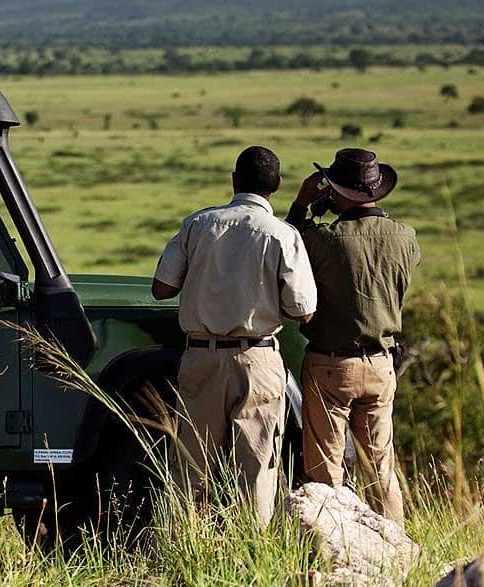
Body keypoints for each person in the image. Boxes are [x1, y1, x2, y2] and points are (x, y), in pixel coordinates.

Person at [152, 146, 317, 526]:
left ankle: (184, 546)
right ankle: (252, 553)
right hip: (258, 359)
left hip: (201, 357)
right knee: (257, 468)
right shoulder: (283, 234)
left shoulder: (197, 224)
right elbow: (303, 310)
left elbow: (161, 288)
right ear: (276, 185)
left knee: (191, 464)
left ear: (233, 179)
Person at [286, 148, 419, 526]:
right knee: (381, 470)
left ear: (338, 190)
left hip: (331, 365)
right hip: (381, 364)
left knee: (326, 473)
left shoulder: (325, 239)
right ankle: (394, 544)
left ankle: (334, 552)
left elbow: (288, 245)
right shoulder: (405, 236)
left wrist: (303, 204)